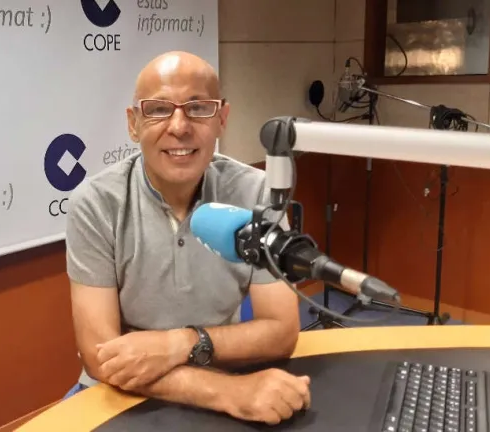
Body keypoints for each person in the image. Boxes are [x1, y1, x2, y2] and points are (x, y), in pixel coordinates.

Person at [64, 50, 311, 425]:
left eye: (198, 108)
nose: (179, 127)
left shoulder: (257, 194)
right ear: (133, 124)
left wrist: (179, 344)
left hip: (215, 367)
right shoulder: (95, 204)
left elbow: (281, 331)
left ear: (222, 118)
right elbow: (101, 356)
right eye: (158, 109)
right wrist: (228, 392)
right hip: (122, 392)